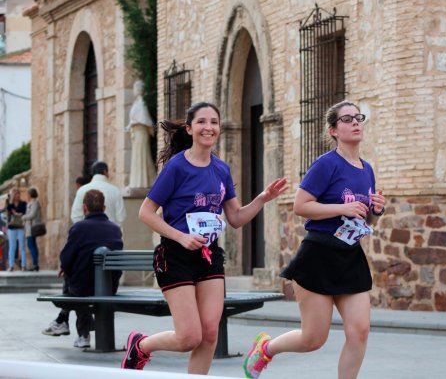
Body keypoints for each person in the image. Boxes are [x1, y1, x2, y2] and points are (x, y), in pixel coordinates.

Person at [121, 102, 288, 374]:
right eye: (201, 122)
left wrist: (262, 199)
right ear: (189, 129)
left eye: (214, 122)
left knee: (210, 334)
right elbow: (146, 212)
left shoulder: (221, 169)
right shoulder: (176, 167)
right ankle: (141, 345)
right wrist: (181, 237)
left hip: (209, 256)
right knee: (189, 337)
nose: (208, 127)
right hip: (175, 257)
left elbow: (235, 218)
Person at [243, 100, 386, 379]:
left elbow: (363, 220)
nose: (356, 122)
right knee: (313, 339)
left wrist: (375, 211)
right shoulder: (326, 164)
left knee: (360, 331)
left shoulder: (366, 169)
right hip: (318, 255)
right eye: (347, 119)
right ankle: (266, 348)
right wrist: (342, 208)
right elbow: (301, 206)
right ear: (333, 130)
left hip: (350, 255)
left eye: (358, 117)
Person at [42, 189, 123, 348]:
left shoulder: (79, 228)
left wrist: (65, 267)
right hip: (109, 287)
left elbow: (66, 258)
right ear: (104, 208)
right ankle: (63, 320)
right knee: (81, 276)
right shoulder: (115, 229)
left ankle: (76, 330)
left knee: (74, 278)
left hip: (83, 288)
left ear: (84, 208)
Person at [71, 161, 126, 226]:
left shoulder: (82, 190)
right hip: (110, 233)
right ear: (105, 172)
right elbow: (121, 218)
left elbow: (75, 216)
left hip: (87, 233)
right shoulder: (115, 191)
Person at [126, 80, 156, 189]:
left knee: (142, 156)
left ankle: (142, 183)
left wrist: (133, 123)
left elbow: (145, 120)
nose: (134, 90)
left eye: (135, 88)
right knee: (137, 157)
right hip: (137, 133)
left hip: (141, 133)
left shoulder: (142, 103)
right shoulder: (137, 102)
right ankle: (136, 183)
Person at [6, 188, 27, 271]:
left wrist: (16, 213)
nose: (17, 195)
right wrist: (11, 201)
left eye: (18, 194)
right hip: (12, 227)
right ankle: (11, 266)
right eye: (15, 194)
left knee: (22, 246)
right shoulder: (10, 204)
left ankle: (23, 265)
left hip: (20, 226)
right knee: (12, 247)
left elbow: (24, 212)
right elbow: (8, 210)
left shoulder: (23, 203)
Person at [22, 187, 42, 271]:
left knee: (31, 245)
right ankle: (35, 264)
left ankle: (35, 264)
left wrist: (24, 217)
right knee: (32, 245)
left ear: (30, 194)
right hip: (29, 227)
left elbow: (32, 214)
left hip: (31, 227)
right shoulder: (31, 203)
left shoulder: (34, 203)